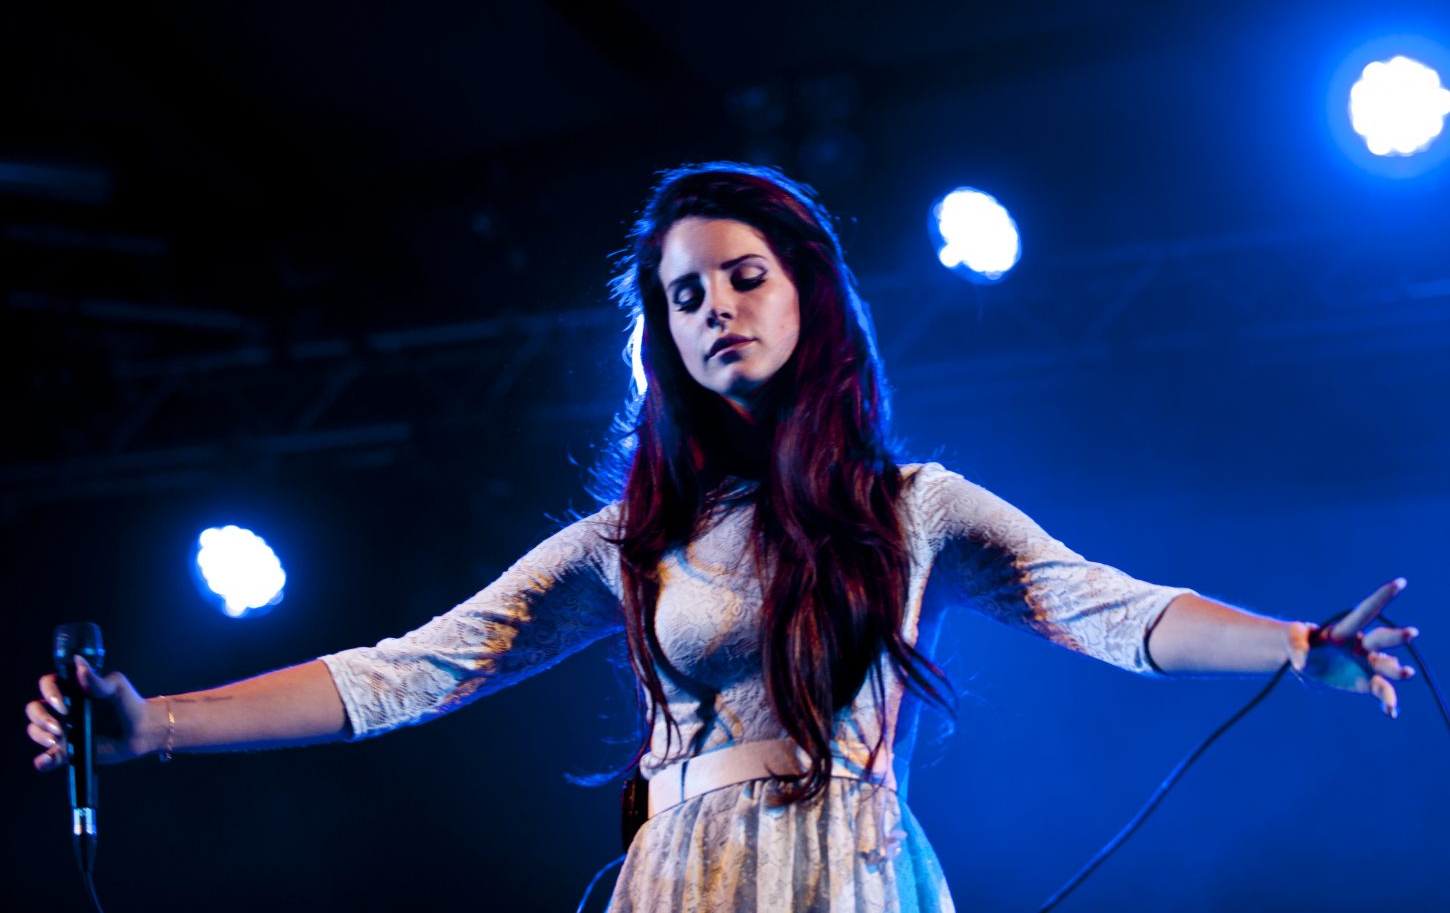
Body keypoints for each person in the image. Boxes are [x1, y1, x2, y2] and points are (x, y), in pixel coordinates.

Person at [26, 163, 1421, 912]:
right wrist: (156, 729)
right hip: (683, 875)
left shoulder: (914, 509)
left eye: (742, 278)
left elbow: (1107, 605)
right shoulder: (621, 545)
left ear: (808, 294)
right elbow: (406, 671)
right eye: (684, 296)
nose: (713, 311)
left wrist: (1295, 644)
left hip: (851, 869)